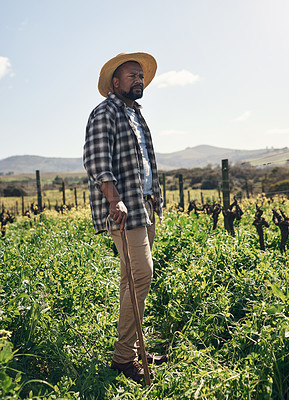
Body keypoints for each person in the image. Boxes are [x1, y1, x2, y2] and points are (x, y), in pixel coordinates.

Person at [83, 52, 167, 383]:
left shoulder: (135, 115)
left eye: (141, 76)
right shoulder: (105, 112)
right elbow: (95, 158)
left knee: (131, 279)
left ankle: (131, 348)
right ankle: (122, 359)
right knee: (141, 274)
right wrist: (114, 199)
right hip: (124, 207)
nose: (138, 79)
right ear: (115, 83)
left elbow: (144, 161)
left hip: (144, 204)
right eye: (132, 75)